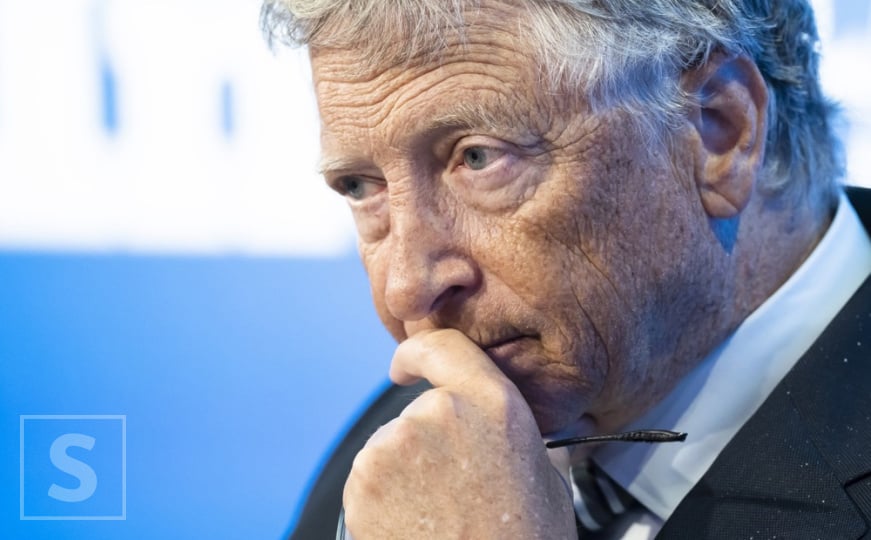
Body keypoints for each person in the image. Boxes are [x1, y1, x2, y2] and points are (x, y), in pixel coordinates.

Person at [262, 1, 871, 538]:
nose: (406, 289)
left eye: (478, 157)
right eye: (360, 185)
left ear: (720, 132)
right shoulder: (410, 446)